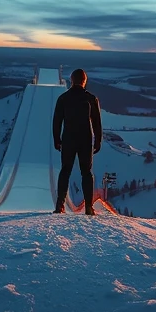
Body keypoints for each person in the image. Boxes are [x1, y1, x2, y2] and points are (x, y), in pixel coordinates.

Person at [52, 68, 102, 215]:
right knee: (86, 173)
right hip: (85, 140)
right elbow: (97, 122)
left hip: (68, 139)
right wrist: (98, 140)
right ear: (84, 81)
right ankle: (88, 207)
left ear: (71, 80)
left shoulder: (63, 98)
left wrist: (57, 139)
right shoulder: (91, 98)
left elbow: (56, 121)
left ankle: (59, 206)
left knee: (65, 171)